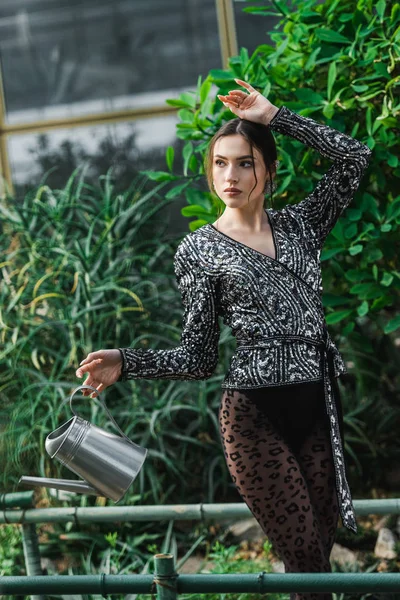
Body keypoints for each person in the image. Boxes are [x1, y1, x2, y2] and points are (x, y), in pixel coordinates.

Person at [76, 79, 372, 600]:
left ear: (268, 169)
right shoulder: (199, 250)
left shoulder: (301, 226)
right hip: (253, 420)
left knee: (317, 564)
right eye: (219, 163)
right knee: (306, 561)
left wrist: (274, 115)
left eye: (243, 162)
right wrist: (127, 361)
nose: (228, 176)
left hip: (317, 408)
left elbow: (353, 157)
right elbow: (197, 356)